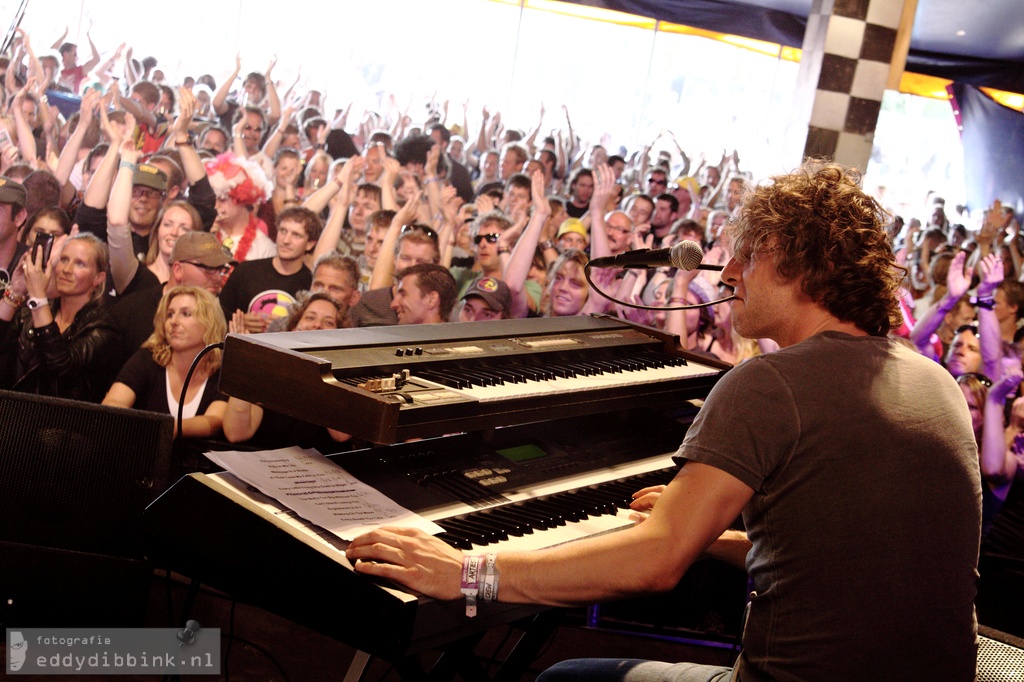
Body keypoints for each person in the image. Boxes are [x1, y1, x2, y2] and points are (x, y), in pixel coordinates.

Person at [345, 162, 981, 682]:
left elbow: (653, 565)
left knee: (563, 679)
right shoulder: (936, 383)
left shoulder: (770, 382)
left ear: (790, 259)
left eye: (746, 256)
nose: (728, 273)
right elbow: (844, 553)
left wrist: (466, 571)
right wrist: (712, 533)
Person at [0, 233, 122, 402]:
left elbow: (61, 366)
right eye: (64, 260)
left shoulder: (103, 328)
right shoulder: (32, 310)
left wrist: (38, 298)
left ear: (98, 278)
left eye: (79, 263)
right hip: (14, 414)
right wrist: (17, 291)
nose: (66, 269)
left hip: (63, 424)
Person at [103, 286, 227, 438]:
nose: (174, 321)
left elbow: (214, 421)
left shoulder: (222, 370)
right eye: (170, 314)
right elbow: (113, 402)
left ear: (210, 322)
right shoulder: (148, 358)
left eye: (186, 314)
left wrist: (166, 427)